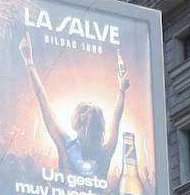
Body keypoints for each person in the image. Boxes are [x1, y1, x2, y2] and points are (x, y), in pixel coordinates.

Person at [18, 31, 129, 180]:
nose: (71, 115)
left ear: (78, 120)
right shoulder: (106, 152)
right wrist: (122, 90)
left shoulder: (66, 145)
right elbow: (116, 118)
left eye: (73, 113)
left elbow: (42, 99)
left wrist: (28, 61)